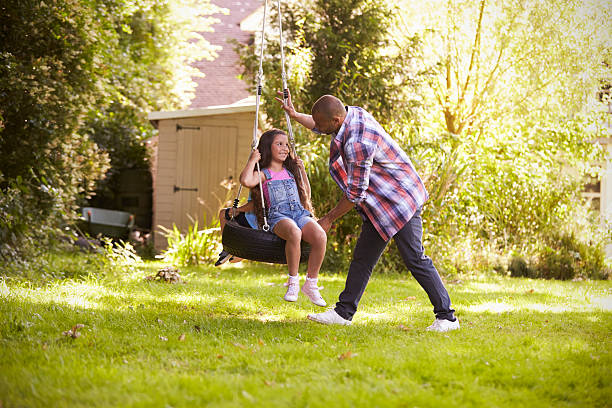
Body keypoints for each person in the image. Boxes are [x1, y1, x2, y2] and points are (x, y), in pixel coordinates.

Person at [276, 91, 459, 332]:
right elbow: (321, 123)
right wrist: (294, 114)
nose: (318, 129)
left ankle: (447, 317)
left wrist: (328, 218)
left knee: (414, 257)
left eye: (321, 125)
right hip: (382, 202)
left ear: (336, 122)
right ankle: (344, 312)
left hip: (400, 199)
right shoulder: (351, 114)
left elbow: (355, 194)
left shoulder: (358, 143)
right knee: (363, 257)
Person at [239, 128, 328, 306]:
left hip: (299, 213)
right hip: (277, 215)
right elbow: (246, 181)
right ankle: (293, 282)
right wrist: (252, 160)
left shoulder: (290, 171)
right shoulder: (264, 173)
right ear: (267, 148)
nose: (285, 148)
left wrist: (302, 171)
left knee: (320, 236)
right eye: (279, 144)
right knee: (294, 233)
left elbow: (306, 194)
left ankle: (311, 284)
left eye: (286, 145)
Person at [214, 201, 258, 266]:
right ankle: (227, 248)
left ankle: (244, 251)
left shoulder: (261, 191)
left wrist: (237, 209)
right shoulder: (253, 191)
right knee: (223, 213)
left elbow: (255, 204)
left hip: (257, 225)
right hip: (247, 217)